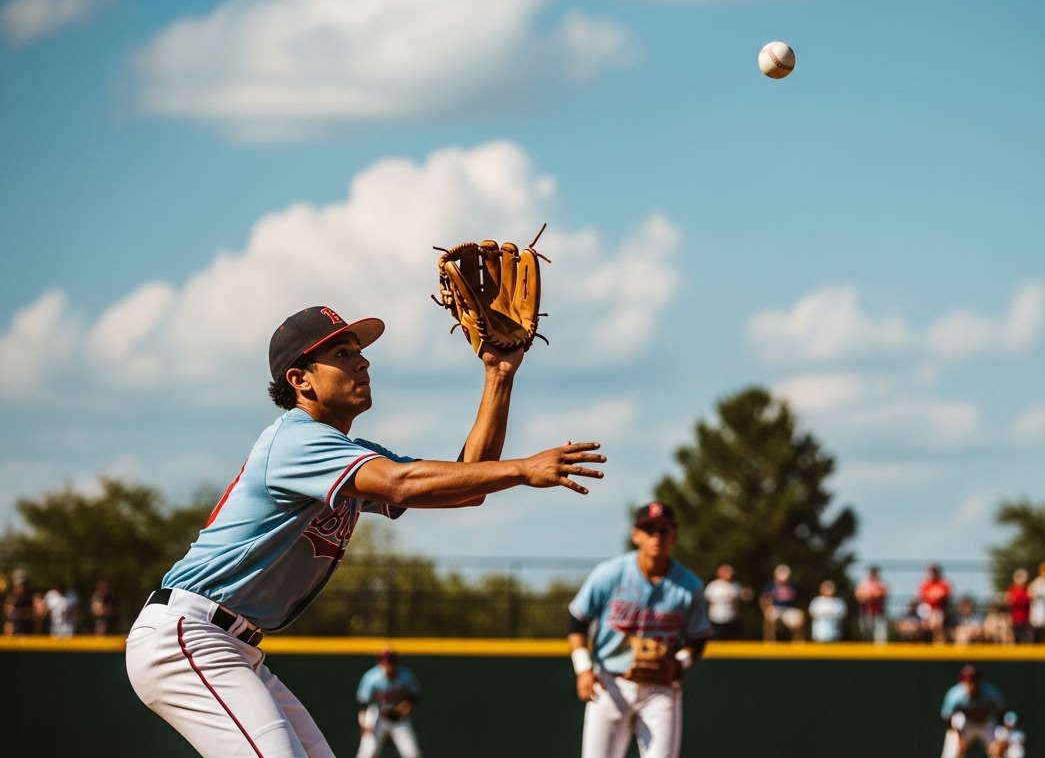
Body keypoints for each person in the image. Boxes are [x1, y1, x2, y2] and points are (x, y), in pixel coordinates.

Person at [126, 306, 606, 758]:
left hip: (231, 645)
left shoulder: (345, 451)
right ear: (300, 379)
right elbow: (401, 482)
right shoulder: (296, 439)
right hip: (189, 634)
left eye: (359, 351)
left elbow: (464, 487)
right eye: (342, 354)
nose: (362, 362)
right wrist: (522, 468)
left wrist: (499, 376)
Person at [568, 502, 711, 758]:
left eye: (664, 530)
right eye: (650, 529)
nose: (657, 535)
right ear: (636, 535)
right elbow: (576, 620)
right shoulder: (609, 574)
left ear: (674, 535)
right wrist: (583, 670)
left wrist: (678, 663)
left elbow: (698, 638)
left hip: (661, 687)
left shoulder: (689, 585)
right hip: (610, 681)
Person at [355, 649, 422, 758]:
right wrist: (364, 721)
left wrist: (408, 705)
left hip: (399, 717)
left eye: (391, 661)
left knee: (412, 754)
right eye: (386, 662)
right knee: (367, 754)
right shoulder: (371, 677)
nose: (389, 664)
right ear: (380, 663)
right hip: (377, 715)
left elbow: (416, 695)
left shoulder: (406, 675)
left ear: (396, 662)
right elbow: (363, 702)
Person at [940, 664, 1008, 758]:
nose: (971, 684)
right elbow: (947, 718)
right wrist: (959, 737)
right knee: (952, 753)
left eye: (974, 680)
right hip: (965, 723)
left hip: (986, 723)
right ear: (962, 682)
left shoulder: (991, 693)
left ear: (980, 681)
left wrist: (1001, 738)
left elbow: (1003, 715)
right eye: (967, 681)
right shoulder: (955, 695)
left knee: (999, 752)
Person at [702, 564, 751, 641]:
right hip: (716, 619)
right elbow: (704, 600)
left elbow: (745, 598)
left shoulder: (736, 586)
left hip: (733, 619)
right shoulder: (713, 586)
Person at [760, 565, 805, 643]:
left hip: (788, 610)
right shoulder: (771, 587)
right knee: (770, 614)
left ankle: (798, 644)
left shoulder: (793, 587)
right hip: (775, 609)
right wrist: (766, 609)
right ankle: (770, 642)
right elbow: (764, 600)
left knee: (799, 617)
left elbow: (799, 602)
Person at [918, 563, 952, 644]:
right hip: (926, 610)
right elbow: (922, 597)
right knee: (921, 624)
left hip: (940, 610)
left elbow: (944, 596)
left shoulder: (944, 583)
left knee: (936, 621)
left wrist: (933, 597)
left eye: (934, 571)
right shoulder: (925, 584)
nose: (932, 574)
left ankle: (938, 644)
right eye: (931, 572)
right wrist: (934, 596)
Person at [854, 566, 889, 645]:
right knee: (866, 633)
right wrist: (868, 596)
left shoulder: (881, 584)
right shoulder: (863, 584)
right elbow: (858, 595)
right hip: (866, 611)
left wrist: (874, 596)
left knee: (880, 634)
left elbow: (884, 595)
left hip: (879, 612)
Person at [4, 570, 35, 636]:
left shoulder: (29, 597)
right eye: (18, 585)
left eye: (21, 585)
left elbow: (33, 613)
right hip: (14, 633)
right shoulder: (11, 597)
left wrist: (21, 613)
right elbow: (8, 612)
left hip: (27, 631)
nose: (20, 587)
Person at [1006, 569, 1032, 644]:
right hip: (1015, 619)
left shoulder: (1027, 590)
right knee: (1016, 639)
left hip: (1026, 620)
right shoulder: (1012, 590)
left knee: (1026, 640)